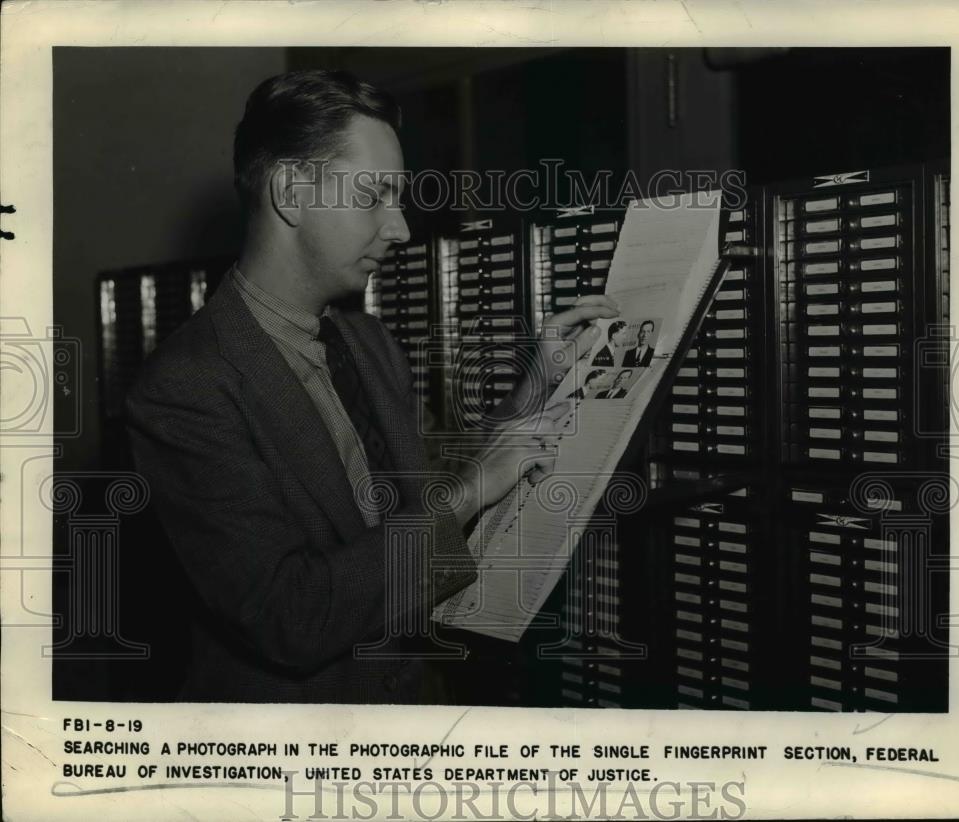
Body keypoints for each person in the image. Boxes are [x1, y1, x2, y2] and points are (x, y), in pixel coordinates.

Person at [125, 69, 618, 703]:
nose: (401, 228)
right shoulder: (185, 388)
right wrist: (471, 490)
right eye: (375, 196)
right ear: (292, 193)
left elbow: (434, 486)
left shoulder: (366, 341)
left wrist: (537, 385)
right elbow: (291, 616)